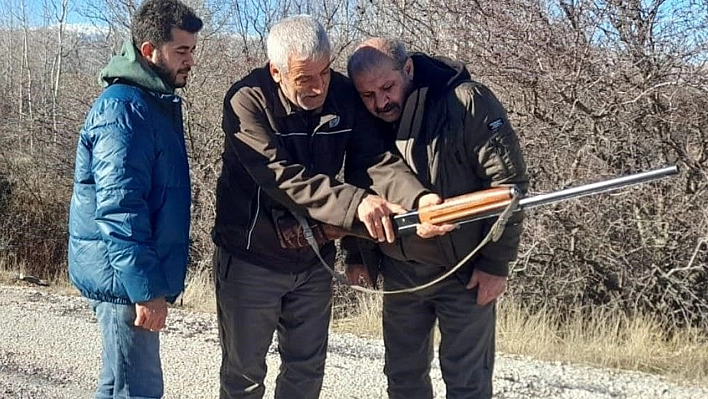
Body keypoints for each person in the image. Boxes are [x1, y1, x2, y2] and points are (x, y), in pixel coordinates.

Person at [212, 15, 445, 399]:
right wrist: (357, 204)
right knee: (244, 378)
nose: (319, 86)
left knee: (306, 373)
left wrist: (418, 200)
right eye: (305, 78)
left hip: (314, 258)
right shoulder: (246, 101)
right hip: (251, 259)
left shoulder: (341, 92)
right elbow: (285, 179)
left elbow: (374, 161)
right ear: (277, 71)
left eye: (324, 71)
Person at [345, 37, 530, 399]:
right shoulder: (361, 114)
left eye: (387, 87)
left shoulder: (467, 101)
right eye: (368, 95)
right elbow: (359, 183)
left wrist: (496, 264)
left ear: (408, 69)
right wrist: (356, 253)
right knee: (403, 377)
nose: (380, 102)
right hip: (400, 272)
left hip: (465, 270)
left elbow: (508, 185)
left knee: (468, 383)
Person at [67, 1, 202, 397]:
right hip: (125, 280)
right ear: (148, 51)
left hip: (125, 276)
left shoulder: (148, 104)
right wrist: (144, 289)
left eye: (192, 49)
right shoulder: (125, 110)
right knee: (138, 390)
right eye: (181, 51)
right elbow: (120, 209)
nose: (190, 60)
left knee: (118, 385)